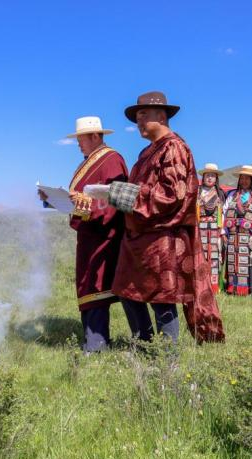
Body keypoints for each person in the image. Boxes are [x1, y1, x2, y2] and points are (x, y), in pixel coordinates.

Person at [87, 91, 224, 344]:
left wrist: (119, 193)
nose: (138, 122)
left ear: (162, 116)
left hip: (163, 237)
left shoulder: (174, 148)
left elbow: (172, 195)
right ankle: (146, 344)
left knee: (162, 298)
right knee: (127, 292)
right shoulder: (145, 153)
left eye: (143, 116)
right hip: (138, 237)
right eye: (137, 116)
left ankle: (166, 358)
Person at [38, 116, 127, 352]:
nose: (78, 143)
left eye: (81, 138)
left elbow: (115, 199)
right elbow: (75, 200)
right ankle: (91, 341)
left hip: (104, 236)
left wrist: (85, 204)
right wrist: (52, 200)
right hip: (88, 236)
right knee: (87, 286)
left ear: (95, 136)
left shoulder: (112, 160)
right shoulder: (86, 164)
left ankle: (97, 344)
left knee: (97, 287)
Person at [222, 165, 252, 296]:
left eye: (248, 178)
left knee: (251, 263)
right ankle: (233, 288)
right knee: (233, 261)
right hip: (233, 236)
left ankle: (251, 289)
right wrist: (223, 232)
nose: (244, 181)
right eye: (242, 178)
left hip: (251, 236)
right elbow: (223, 213)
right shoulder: (231, 195)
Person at [197, 163, 226, 293]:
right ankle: (199, 285)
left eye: (212, 176)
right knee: (199, 256)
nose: (209, 178)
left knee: (214, 257)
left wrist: (222, 232)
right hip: (200, 229)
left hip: (215, 229)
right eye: (207, 175)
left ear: (216, 178)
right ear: (203, 177)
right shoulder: (197, 191)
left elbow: (223, 214)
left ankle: (214, 286)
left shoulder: (220, 193)